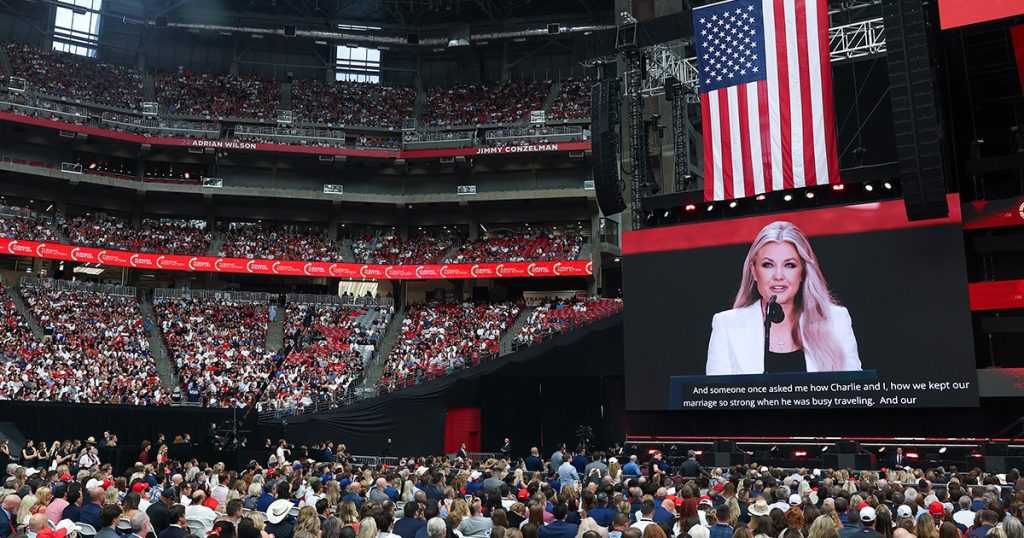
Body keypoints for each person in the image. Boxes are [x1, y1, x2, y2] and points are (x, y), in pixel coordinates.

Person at [706, 220, 862, 375]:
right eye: (768, 265)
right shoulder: (727, 325)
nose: (778, 276)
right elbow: (718, 398)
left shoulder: (836, 320)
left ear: (803, 271)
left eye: (790, 265)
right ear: (753, 270)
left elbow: (855, 392)